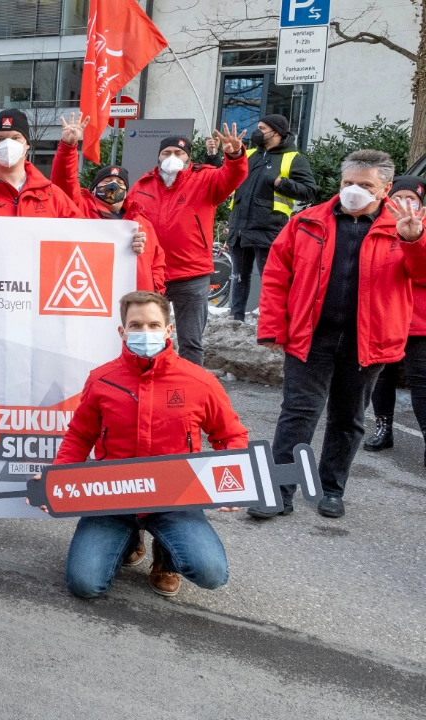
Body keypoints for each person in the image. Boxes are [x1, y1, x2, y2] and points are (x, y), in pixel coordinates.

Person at [254, 150, 426, 520]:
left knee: (348, 417)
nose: (354, 191)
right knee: (297, 415)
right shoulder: (306, 222)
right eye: (348, 183)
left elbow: (422, 277)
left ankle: (331, 488)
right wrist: (272, 326)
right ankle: (280, 491)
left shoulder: (405, 227)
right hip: (310, 337)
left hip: (369, 341)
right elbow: (276, 276)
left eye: (365, 185)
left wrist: (414, 242)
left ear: (386, 189)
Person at [49, 291, 248, 598]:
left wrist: (235, 482)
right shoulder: (101, 380)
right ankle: (129, 539)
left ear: (168, 330)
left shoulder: (200, 382)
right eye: (136, 325)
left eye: (154, 325)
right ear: (122, 331)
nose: (145, 333)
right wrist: (57, 480)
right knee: (85, 584)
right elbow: (79, 436)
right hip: (112, 497)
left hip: (177, 497)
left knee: (211, 573)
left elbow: (230, 435)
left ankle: (165, 555)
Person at [131, 126, 249, 366]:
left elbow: (232, 176)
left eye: (179, 152)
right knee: (147, 338)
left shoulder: (205, 179)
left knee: (191, 342)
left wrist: (235, 156)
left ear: (188, 157)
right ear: (158, 156)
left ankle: (189, 389)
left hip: (192, 275)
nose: (172, 157)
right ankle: (147, 380)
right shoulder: (142, 186)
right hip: (153, 275)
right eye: (166, 153)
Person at [53, 113, 165, 293]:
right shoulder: (81, 208)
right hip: (93, 292)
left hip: (135, 301)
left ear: (127, 192)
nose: (113, 186)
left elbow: (157, 262)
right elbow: (64, 181)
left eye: (120, 183)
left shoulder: (142, 223)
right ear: (94, 188)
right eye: (106, 182)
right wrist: (68, 147)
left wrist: (155, 291)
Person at [225, 114, 317, 321]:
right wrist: (215, 154)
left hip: (269, 227)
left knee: (270, 278)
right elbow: (224, 176)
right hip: (239, 226)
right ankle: (235, 318)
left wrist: (279, 182)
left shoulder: (294, 158)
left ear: (276, 132)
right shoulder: (247, 154)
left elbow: (309, 191)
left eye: (262, 128)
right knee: (238, 277)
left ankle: (270, 321)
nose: (257, 132)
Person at [366, 177, 426, 456]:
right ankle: (383, 429)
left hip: (419, 321)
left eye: (412, 198)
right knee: (382, 378)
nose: (405, 203)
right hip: (386, 315)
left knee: (422, 381)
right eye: (399, 197)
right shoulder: (377, 227)